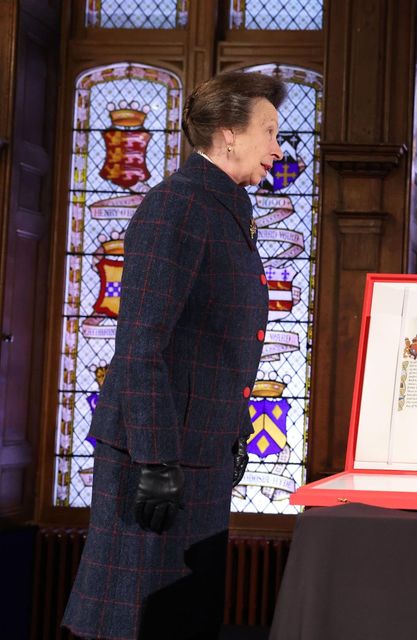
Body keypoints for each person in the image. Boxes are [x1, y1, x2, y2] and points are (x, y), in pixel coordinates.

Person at [63, 71, 285, 640]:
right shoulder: (176, 206)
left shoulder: (223, 206)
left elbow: (210, 343)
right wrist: (157, 461)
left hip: (198, 456)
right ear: (229, 133)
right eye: (269, 132)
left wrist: (230, 433)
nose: (277, 150)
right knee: (135, 621)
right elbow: (141, 345)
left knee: (180, 620)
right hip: (157, 461)